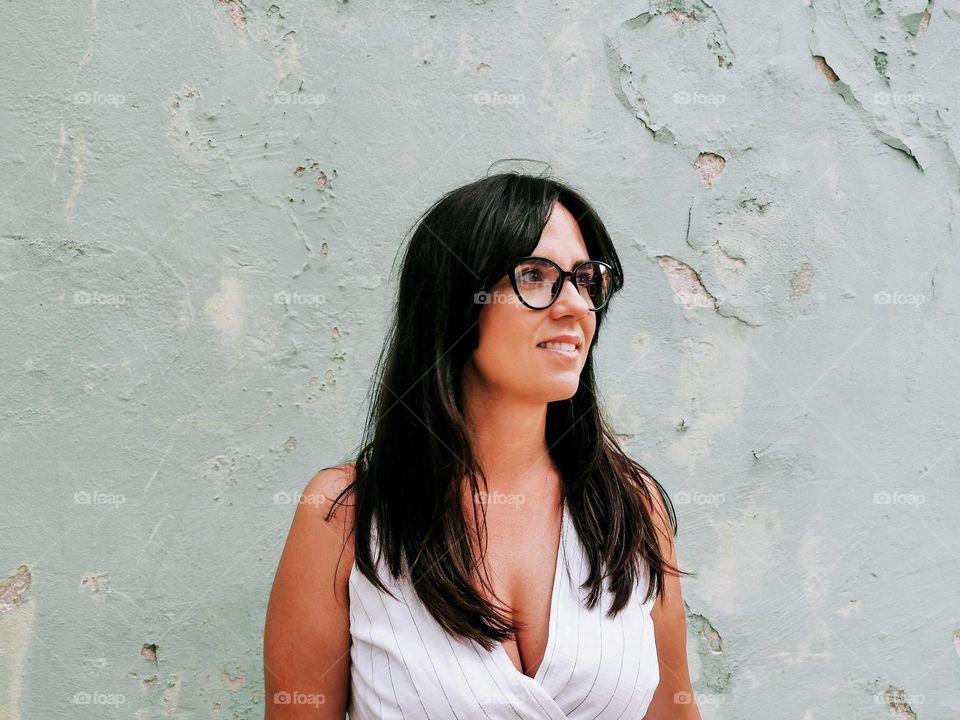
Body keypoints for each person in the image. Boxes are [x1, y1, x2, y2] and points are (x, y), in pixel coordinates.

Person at [263, 169, 701, 719]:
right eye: (535, 275)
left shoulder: (631, 506)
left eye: (587, 279)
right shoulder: (346, 514)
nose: (576, 305)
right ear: (454, 300)